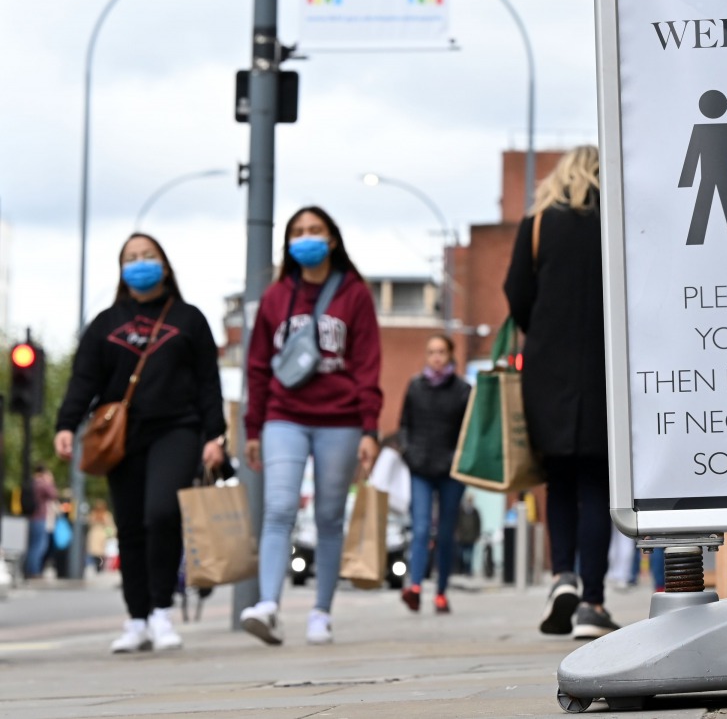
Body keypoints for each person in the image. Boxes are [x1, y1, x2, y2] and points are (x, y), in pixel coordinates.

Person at [54, 233, 227, 653]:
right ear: (121, 269)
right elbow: (84, 380)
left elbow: (208, 381)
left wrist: (215, 434)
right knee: (129, 525)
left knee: (162, 514)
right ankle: (136, 618)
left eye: (147, 256)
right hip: (121, 437)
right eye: (131, 258)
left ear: (164, 265)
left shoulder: (188, 319)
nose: (140, 263)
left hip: (178, 429)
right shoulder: (106, 323)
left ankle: (161, 612)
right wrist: (66, 424)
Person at [240, 206, 382, 646]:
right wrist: (252, 428)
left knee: (328, 517)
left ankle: (321, 612)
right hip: (284, 416)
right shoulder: (276, 296)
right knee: (279, 508)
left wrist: (369, 429)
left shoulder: (354, 295)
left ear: (332, 239)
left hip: (340, 420)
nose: (306, 238)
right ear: (288, 243)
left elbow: (367, 364)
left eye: (315, 230)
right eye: (298, 232)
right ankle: (268, 606)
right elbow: (258, 366)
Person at [503, 144, 619, 639]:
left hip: (547, 371)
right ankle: (592, 602)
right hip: (604, 367)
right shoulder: (614, 221)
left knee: (558, 481)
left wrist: (545, 331)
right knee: (596, 481)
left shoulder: (535, 226)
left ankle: (561, 578)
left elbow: (516, 294)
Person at [395, 334, 471, 614]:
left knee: (447, 532)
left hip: (451, 471)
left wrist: (458, 460)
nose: (436, 357)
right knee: (421, 527)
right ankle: (414, 586)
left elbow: (469, 433)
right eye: (431, 352)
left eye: (441, 351)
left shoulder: (463, 390)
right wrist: (408, 453)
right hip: (421, 468)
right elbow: (404, 425)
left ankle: (441, 592)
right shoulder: (415, 387)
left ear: (450, 355)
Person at [24, 465, 58, 578]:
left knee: (33, 545)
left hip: (31, 517)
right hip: (39, 517)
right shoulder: (42, 484)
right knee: (39, 545)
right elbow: (54, 494)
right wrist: (49, 481)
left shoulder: (32, 482)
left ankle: (30, 570)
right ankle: (34, 571)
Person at [455, 492, 482, 576]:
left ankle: (468, 571)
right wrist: (457, 533)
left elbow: (478, 524)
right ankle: (461, 570)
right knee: (461, 554)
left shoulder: (475, 512)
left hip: (471, 537)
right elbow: (457, 523)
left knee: (469, 555)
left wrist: (477, 535)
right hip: (462, 537)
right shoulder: (461, 511)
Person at [87, 498, 116, 572]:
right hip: (94, 534)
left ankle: (100, 566)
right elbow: (89, 524)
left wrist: (110, 535)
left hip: (103, 535)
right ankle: (97, 565)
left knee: (102, 553)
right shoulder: (93, 514)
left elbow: (110, 526)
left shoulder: (107, 515)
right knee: (95, 553)